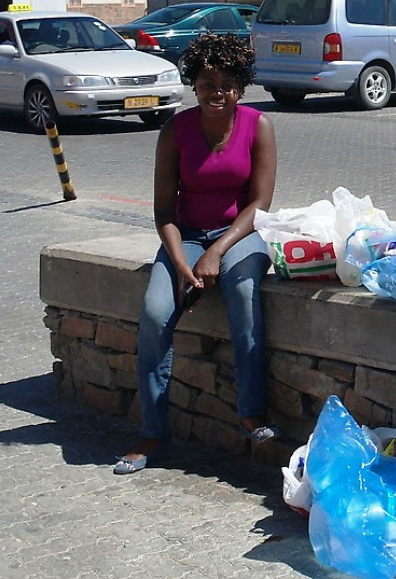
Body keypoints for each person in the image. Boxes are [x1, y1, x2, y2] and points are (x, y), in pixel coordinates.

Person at [114, 32, 279, 474]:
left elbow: (260, 204)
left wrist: (216, 253)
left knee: (243, 291)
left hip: (241, 233)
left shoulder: (257, 126)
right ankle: (152, 431)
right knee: (153, 312)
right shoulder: (175, 131)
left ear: (241, 88)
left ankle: (251, 413)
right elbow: (164, 211)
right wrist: (183, 263)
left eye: (226, 83)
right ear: (194, 84)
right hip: (184, 235)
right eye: (207, 83)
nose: (216, 92)